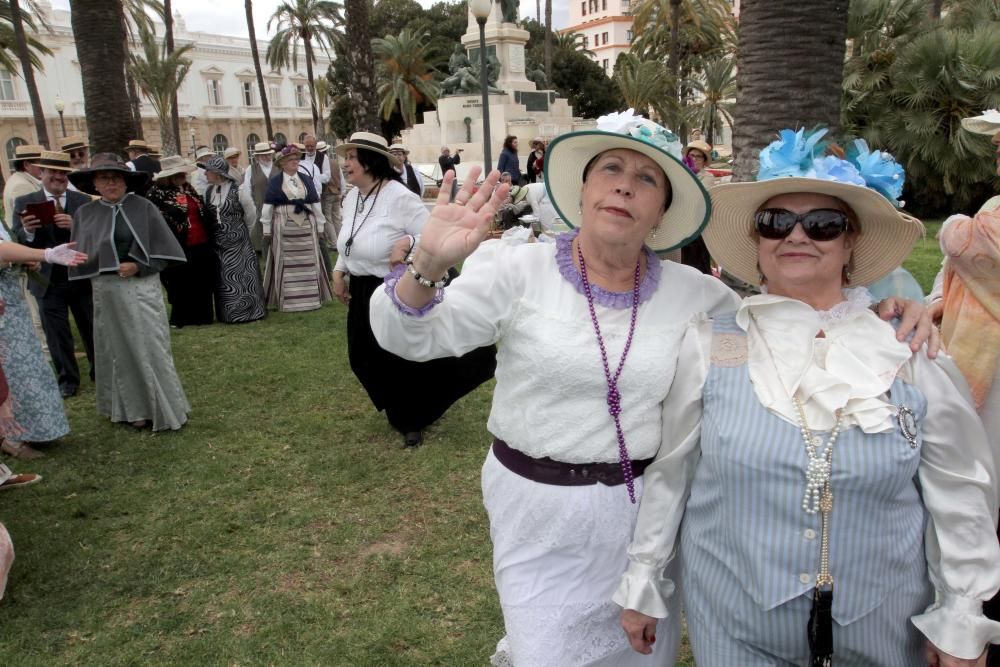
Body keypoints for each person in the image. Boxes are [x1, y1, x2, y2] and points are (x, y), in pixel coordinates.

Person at [369, 112, 936, 665]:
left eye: (647, 178)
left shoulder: (702, 298)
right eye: (610, 168)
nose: (624, 186)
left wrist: (886, 311)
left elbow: (789, 329)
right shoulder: (518, 270)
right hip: (537, 515)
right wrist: (426, 265)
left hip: (648, 519)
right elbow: (413, 339)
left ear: (663, 209)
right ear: (583, 187)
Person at [618, 128, 998, 666]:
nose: (797, 236)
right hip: (734, 624)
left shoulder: (906, 350)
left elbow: (960, 492)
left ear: (850, 244)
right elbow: (672, 474)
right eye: (776, 222)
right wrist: (644, 580)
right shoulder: (709, 342)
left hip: (885, 630)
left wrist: (960, 613)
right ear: (757, 242)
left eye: (822, 224)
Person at [334, 132, 496, 448]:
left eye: (352, 157)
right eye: (346, 157)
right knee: (363, 356)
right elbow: (348, 237)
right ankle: (404, 408)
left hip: (396, 288)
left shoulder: (399, 197)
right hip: (362, 289)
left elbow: (431, 237)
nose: (345, 163)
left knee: (398, 358)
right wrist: (340, 269)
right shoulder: (353, 197)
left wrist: (407, 242)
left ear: (370, 161)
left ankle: (411, 418)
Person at [68, 153, 190, 431]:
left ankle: (161, 407)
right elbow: (80, 255)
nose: (110, 183)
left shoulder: (143, 207)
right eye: (104, 178)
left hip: (141, 288)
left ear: (126, 181)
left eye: (116, 178)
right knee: (117, 349)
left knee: (150, 346)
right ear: (94, 184)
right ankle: (131, 410)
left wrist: (138, 266)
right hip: (106, 290)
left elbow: (166, 252)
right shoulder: (85, 214)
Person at [11, 151, 96, 398]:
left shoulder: (83, 201)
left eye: (62, 173)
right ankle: (68, 380)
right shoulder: (25, 201)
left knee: (90, 326)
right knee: (56, 332)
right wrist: (27, 231)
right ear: (42, 173)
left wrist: (75, 226)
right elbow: (16, 237)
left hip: (79, 275)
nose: (58, 177)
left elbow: (95, 238)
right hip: (47, 278)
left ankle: (99, 373)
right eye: (52, 172)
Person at [0, 233, 85, 459]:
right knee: (10, 373)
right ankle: (9, 438)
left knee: (26, 368)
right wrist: (46, 254)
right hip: (3, 315)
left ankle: (31, 430)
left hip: (11, 307)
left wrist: (25, 260)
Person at [147, 155, 217, 328]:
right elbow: (155, 221)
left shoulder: (188, 189)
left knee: (202, 279)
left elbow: (202, 210)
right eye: (178, 174)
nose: (183, 177)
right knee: (181, 282)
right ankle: (182, 318)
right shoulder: (155, 194)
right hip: (177, 244)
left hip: (201, 241)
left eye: (183, 173)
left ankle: (204, 315)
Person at [261, 145, 332, 312]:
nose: (295, 162)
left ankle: (311, 299)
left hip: (306, 228)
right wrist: (266, 229)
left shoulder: (306, 179)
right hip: (284, 228)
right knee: (285, 263)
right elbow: (267, 206)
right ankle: (289, 302)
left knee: (309, 261)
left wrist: (321, 226)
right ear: (282, 164)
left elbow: (315, 203)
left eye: (296, 159)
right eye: (291, 160)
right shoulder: (275, 182)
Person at [202, 155, 266, 324]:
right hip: (219, 243)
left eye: (207, 171)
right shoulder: (208, 192)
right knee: (225, 278)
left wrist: (242, 233)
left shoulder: (238, 190)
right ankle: (229, 313)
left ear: (217, 173)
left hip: (239, 242)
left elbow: (251, 215)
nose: (205, 174)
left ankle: (250, 312)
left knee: (244, 276)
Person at [241, 141, 276, 256]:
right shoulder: (251, 169)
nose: (267, 157)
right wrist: (253, 206)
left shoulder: (278, 167)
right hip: (260, 206)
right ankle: (265, 256)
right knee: (263, 234)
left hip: (279, 207)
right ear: (257, 157)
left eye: (268, 154)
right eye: (263, 155)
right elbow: (247, 189)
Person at [3, 144, 44, 236]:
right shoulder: (22, 186)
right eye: (41, 163)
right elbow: (33, 220)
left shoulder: (17, 178)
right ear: (26, 165)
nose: (45, 167)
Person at [315, 140, 345, 245]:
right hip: (337, 192)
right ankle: (341, 240)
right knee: (336, 217)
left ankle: (334, 242)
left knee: (328, 218)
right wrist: (342, 192)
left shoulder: (319, 164)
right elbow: (341, 179)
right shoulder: (334, 162)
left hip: (328, 193)